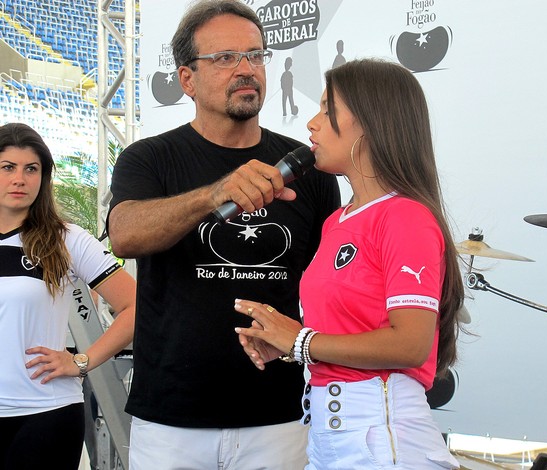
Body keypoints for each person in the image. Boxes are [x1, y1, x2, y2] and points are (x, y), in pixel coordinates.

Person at [106, 1, 340, 469]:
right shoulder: (149, 158)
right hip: (172, 420)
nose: (246, 70)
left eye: (255, 56)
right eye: (225, 58)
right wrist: (212, 195)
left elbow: (330, 282)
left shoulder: (306, 167)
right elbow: (125, 235)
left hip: (281, 416)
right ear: (186, 79)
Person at [234, 58, 464, 469]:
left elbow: (411, 344)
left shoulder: (405, 216)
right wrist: (287, 346)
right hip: (328, 434)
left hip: (382, 438)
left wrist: (300, 341)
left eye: (327, 109)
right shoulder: (336, 220)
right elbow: (349, 331)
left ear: (370, 122)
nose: (312, 123)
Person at [0, 123, 136, 470]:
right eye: (7, 167)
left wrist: (81, 361)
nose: (20, 179)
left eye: (31, 169)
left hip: (45, 414)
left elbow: (137, 306)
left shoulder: (66, 239)